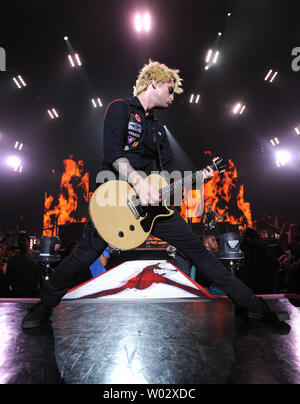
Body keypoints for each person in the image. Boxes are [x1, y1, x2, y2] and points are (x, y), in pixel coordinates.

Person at [22, 60, 289, 331]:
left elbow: (170, 171)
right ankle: (43, 306)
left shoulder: (158, 129)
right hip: (115, 199)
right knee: (84, 255)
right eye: (170, 90)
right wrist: (138, 182)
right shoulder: (120, 109)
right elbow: (113, 155)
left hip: (153, 206)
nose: (173, 97)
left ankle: (254, 306)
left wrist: (198, 178)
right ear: (154, 83)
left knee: (200, 253)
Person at [6, 232, 40, 298]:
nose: (21, 242)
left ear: (29, 242)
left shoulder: (36, 255)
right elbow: (9, 275)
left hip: (31, 291)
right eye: (19, 241)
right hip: (18, 291)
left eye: (23, 240)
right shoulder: (13, 258)